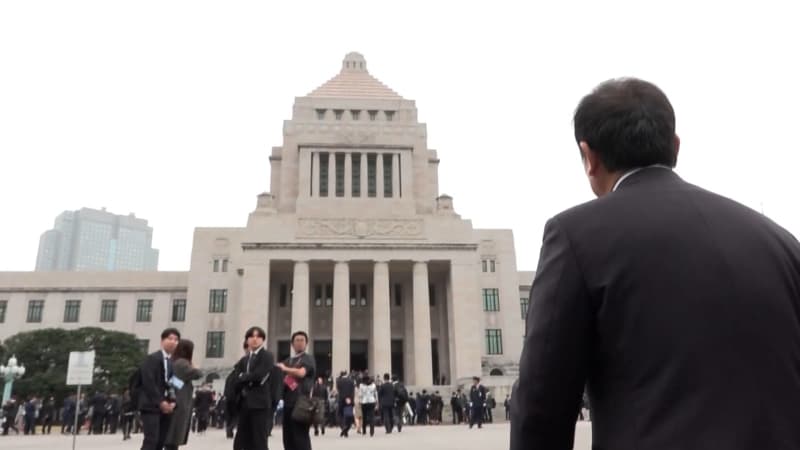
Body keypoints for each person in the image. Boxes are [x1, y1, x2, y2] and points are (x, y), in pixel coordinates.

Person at [510, 78, 800, 450]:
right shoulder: (779, 241)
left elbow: (542, 404)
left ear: (589, 156)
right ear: (675, 146)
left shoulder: (576, 236)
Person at [233, 327, 278, 450]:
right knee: (241, 440)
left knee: (259, 440)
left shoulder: (267, 356)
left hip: (260, 404)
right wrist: (246, 378)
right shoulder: (245, 359)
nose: (254, 339)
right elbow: (236, 378)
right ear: (247, 340)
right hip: (244, 403)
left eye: (258, 336)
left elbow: (259, 375)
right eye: (251, 336)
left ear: (262, 340)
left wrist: (244, 377)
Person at [136, 328, 180, 450]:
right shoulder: (152, 359)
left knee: (161, 441)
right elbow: (148, 383)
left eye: (176, 340)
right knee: (151, 440)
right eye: (170, 339)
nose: (173, 342)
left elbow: (172, 384)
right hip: (151, 406)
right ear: (162, 341)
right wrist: (160, 402)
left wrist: (173, 402)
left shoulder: (171, 362)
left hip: (166, 408)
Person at [277, 330, 316, 450]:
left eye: (302, 340)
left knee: (300, 438)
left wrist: (284, 369)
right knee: (288, 438)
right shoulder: (289, 361)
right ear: (292, 344)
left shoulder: (308, 359)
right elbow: (283, 379)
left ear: (306, 344)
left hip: (301, 404)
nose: (299, 343)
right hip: (288, 403)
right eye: (297, 340)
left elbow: (301, 373)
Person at [164, 339, 202, 450]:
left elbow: (174, 381)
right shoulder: (183, 363)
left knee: (171, 434)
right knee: (175, 433)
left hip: (174, 398)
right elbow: (198, 374)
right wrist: (194, 366)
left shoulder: (173, 361)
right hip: (181, 401)